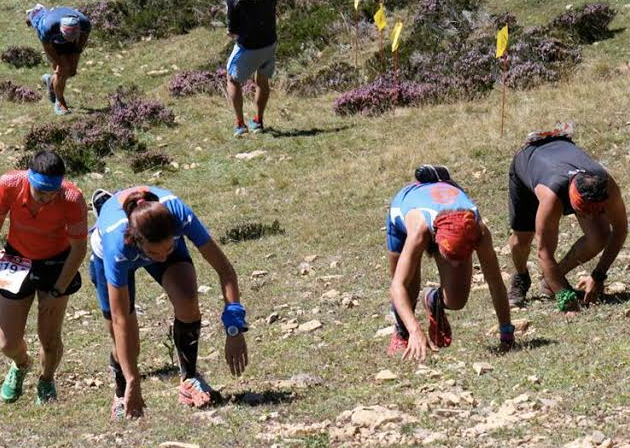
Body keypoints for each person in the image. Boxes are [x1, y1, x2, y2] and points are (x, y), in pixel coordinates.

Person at [89, 186, 248, 420]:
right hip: (113, 251)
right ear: (138, 242)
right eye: (156, 254)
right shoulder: (117, 244)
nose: (163, 257)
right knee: (126, 342)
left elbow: (225, 271)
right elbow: (120, 318)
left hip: (153, 238)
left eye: (169, 249)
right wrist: (133, 380)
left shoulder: (178, 215)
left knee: (188, 300)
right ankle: (121, 390)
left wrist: (234, 327)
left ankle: (190, 379)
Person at [386, 165, 514, 362]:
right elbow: (397, 287)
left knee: (457, 300)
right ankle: (401, 333)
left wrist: (507, 332)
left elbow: (496, 282)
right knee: (408, 289)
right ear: (435, 240)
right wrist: (415, 330)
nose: (456, 265)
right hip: (405, 210)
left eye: (462, 257)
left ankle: (433, 300)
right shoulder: (419, 231)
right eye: (450, 258)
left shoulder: (479, 231)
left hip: (449, 214)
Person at [507, 123, 627, 311]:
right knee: (522, 241)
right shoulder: (551, 198)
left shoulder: (607, 185)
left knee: (601, 234)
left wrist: (598, 275)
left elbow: (620, 231)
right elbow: (543, 252)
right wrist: (565, 298)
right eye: (585, 211)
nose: (593, 216)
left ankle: (552, 280)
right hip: (527, 162)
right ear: (573, 200)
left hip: (559, 155)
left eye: (598, 210)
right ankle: (521, 276)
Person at [0, 151, 88, 404]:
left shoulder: (72, 198)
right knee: (6, 342)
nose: (47, 197)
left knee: (49, 338)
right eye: (41, 191)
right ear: (29, 177)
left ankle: (47, 380)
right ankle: (21, 365)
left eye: (52, 191)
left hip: (56, 263)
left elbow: (78, 249)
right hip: (17, 259)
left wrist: (59, 289)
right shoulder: (9, 184)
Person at [26, 4, 91, 115]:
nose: (70, 40)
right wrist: (60, 63)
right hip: (53, 43)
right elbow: (49, 49)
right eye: (67, 37)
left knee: (72, 71)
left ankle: (50, 81)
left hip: (68, 34)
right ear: (61, 30)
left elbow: (83, 39)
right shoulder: (47, 28)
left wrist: (77, 51)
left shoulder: (85, 24)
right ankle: (59, 101)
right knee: (63, 71)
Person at [226, 0, 278, 137]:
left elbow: (232, 31)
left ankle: (240, 124)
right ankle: (258, 122)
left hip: (248, 46)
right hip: (270, 42)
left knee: (231, 79)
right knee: (262, 79)